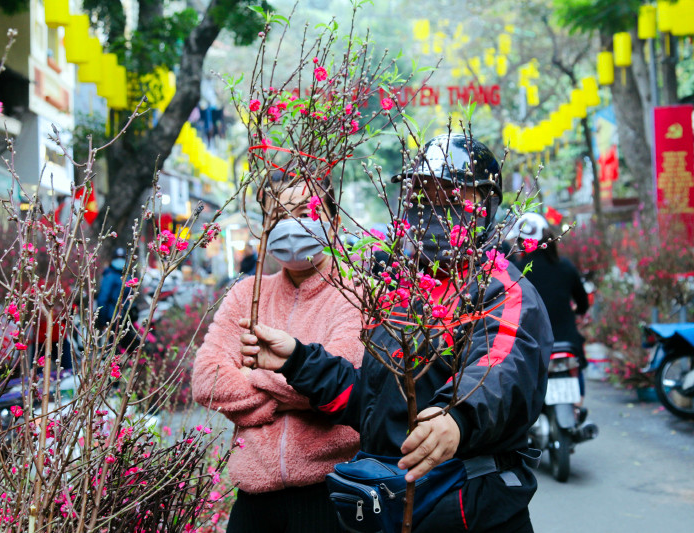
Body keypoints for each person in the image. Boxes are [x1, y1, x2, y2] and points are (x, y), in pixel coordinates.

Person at [239, 134, 552, 532]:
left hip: (468, 509)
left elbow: (502, 371)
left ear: (486, 206)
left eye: (453, 198)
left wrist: (456, 419)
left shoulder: (498, 288)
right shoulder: (397, 291)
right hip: (392, 507)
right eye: (422, 194)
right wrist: (298, 361)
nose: (435, 210)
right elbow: (371, 402)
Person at [192, 169, 365, 533]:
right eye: (278, 216)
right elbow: (206, 378)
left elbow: (342, 378)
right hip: (254, 500)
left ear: (333, 222)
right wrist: (291, 394)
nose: (292, 225)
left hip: (332, 493)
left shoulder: (355, 294)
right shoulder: (245, 295)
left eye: (305, 212)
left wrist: (248, 377)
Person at [514, 213, 590, 408]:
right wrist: (578, 312)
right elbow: (582, 301)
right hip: (567, 339)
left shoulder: (519, 271)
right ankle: (577, 410)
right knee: (576, 369)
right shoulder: (565, 266)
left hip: (533, 342)